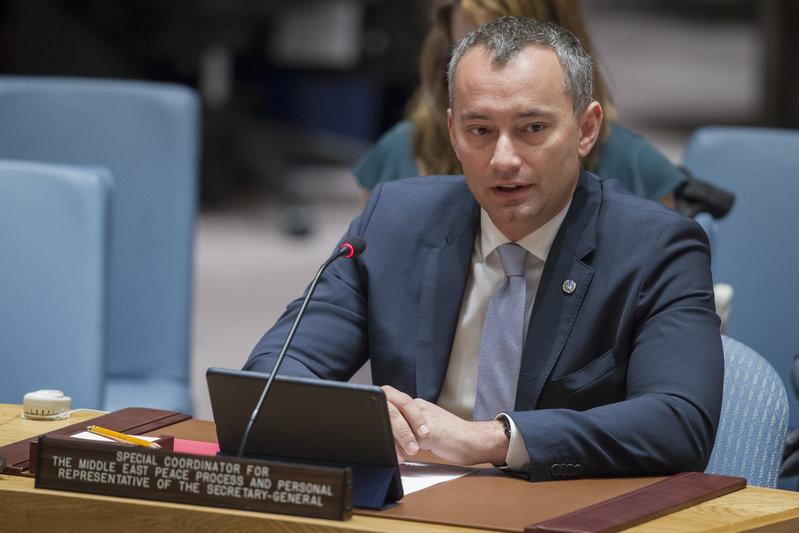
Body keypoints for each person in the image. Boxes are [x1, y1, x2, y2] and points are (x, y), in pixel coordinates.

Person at [246, 16, 723, 480]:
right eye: (480, 131)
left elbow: (679, 422)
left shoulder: (656, 247)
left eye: (533, 129)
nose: (503, 159)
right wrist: (358, 414)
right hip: (411, 504)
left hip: (559, 507)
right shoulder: (394, 221)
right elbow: (271, 375)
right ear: (453, 132)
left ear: (586, 129)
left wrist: (492, 439)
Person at [353, 0, 685, 208]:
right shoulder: (400, 154)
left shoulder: (633, 168)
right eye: (471, 45)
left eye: (535, 128)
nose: (504, 160)